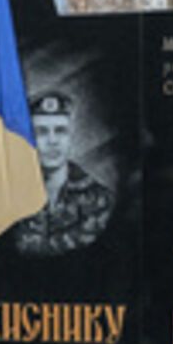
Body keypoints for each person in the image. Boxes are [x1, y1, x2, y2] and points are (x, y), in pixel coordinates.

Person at [13, 90, 114, 256]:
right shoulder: (9, 198)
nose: (52, 141)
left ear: (70, 138)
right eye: (42, 132)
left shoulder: (99, 200)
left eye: (60, 131)